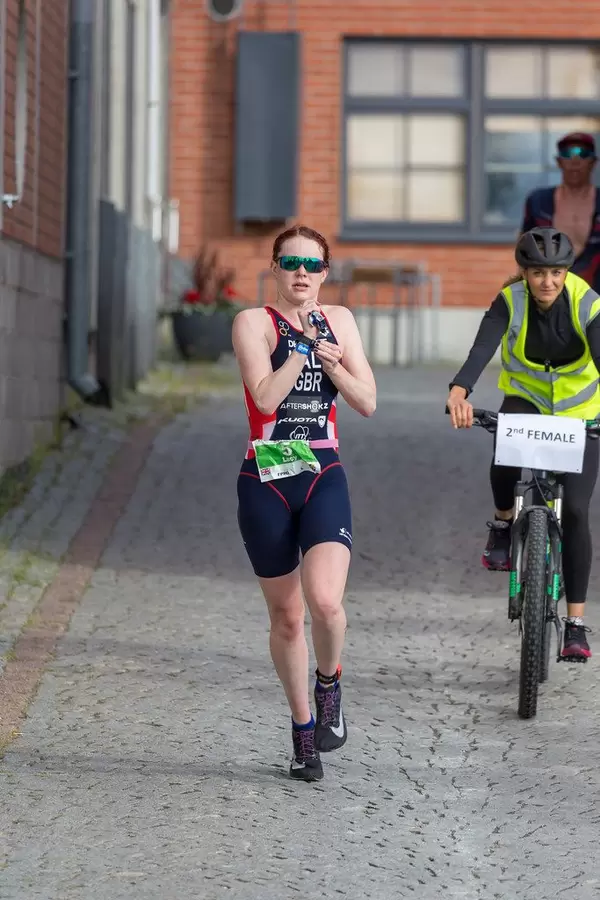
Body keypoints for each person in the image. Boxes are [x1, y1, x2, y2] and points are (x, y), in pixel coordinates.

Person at [232, 225, 376, 782]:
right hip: (265, 476)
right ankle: (302, 732)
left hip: (322, 470)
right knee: (287, 616)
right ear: (274, 268)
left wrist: (333, 361)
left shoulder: (340, 320)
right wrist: (298, 350)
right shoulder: (252, 323)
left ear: (325, 273)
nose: (301, 273)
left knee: (325, 602)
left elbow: (367, 401)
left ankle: (330, 681)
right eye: (290, 262)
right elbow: (265, 399)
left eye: (312, 266)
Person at [446, 226, 600, 662]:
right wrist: (460, 390)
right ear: (524, 273)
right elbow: (482, 348)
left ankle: (575, 624)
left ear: (565, 272)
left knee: (574, 510)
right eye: (536, 272)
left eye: (555, 272)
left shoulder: (588, 302)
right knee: (504, 442)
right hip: (528, 401)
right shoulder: (509, 300)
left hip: (580, 412)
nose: (546, 281)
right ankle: (501, 523)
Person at [521, 131, 600, 293]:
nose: (575, 161)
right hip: (550, 297)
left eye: (582, 154)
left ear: (593, 162)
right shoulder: (538, 202)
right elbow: (524, 252)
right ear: (559, 161)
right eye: (567, 154)